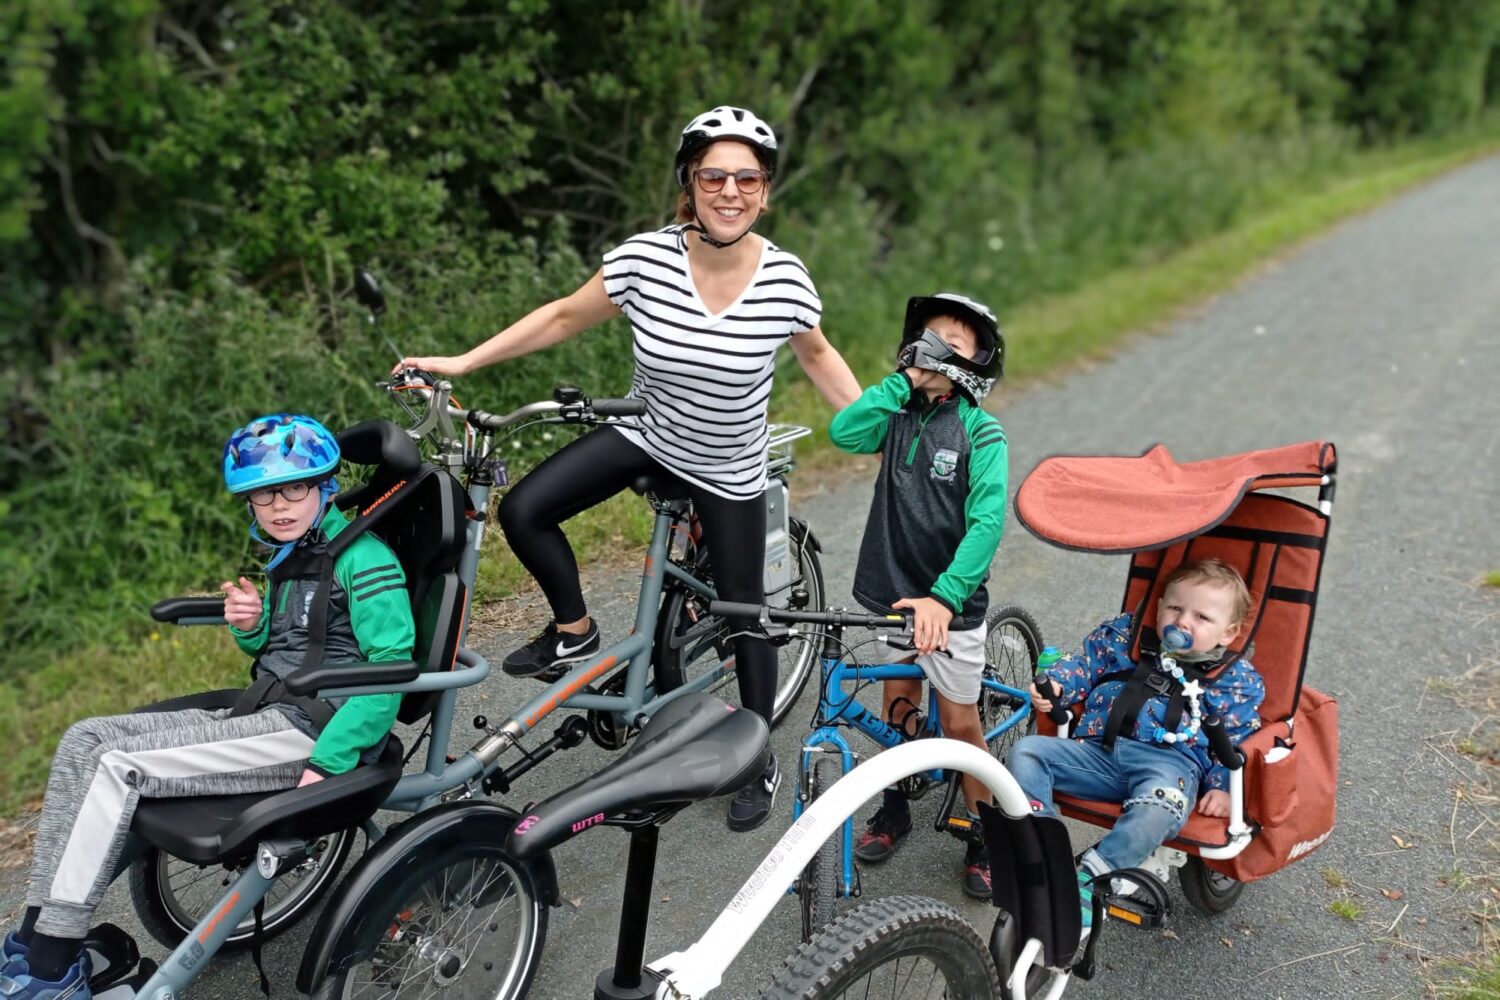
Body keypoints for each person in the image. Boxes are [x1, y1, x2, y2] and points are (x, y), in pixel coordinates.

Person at [394, 105, 861, 832]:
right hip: (647, 433)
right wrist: (461, 361)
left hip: (729, 465)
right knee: (524, 511)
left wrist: (872, 425)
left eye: (746, 178)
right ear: (690, 184)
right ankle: (576, 630)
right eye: (714, 176)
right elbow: (560, 317)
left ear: (765, 191)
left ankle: (755, 753)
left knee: (746, 617)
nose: (730, 190)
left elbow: (818, 355)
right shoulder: (647, 259)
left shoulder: (784, 278)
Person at [1, 414, 414, 1000]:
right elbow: (288, 641)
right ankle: (33, 939)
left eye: (293, 488)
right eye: (261, 495)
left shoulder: (365, 561)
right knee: (83, 739)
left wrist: (327, 762)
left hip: (312, 732)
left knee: (118, 764)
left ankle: (49, 967)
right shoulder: (291, 555)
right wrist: (253, 625)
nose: (277, 506)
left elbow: (387, 672)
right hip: (263, 712)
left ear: (326, 486)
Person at [828, 292, 1009, 898]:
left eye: (953, 344)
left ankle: (986, 831)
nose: (936, 350)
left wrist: (945, 597)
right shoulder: (897, 413)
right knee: (896, 706)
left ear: (979, 361)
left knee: (959, 725)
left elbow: (986, 525)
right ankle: (897, 805)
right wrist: (898, 382)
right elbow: (843, 431)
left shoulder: (982, 433)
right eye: (928, 338)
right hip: (891, 589)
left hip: (948, 602)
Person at [1008, 558, 1265, 934]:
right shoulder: (1127, 639)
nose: (1182, 622)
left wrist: (1223, 788)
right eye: (1175, 608)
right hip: (1098, 751)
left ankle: (1092, 875)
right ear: (1159, 607)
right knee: (1028, 751)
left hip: (1170, 767)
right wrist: (1060, 684)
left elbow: (1238, 739)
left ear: (1229, 633)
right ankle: (1042, 853)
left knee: (1162, 807)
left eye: (1201, 617)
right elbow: (1085, 666)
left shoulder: (1233, 680)